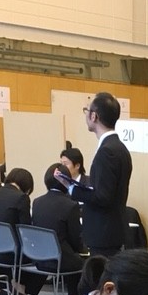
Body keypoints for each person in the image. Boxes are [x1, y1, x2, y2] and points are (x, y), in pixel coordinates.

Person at [56, 92, 132, 257]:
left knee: (102, 272)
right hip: (110, 230)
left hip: (104, 232)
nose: (86, 115)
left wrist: (71, 188)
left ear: (94, 116)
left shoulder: (107, 151)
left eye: (86, 110)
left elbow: (103, 196)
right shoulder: (119, 147)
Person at [32, 163, 87, 295]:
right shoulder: (71, 205)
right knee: (81, 261)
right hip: (61, 260)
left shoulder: (37, 202)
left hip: (39, 258)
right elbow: (75, 238)